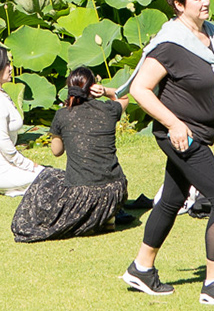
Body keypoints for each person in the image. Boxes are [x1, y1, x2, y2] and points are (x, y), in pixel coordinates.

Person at [119, 0, 214, 306]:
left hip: (200, 134)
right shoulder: (169, 44)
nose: (206, 2)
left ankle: (141, 268)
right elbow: (140, 89)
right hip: (181, 137)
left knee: (171, 198)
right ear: (179, 4)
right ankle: (213, 285)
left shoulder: (212, 35)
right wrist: (175, 124)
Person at [11, 67, 130, 242]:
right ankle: (107, 215)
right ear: (92, 87)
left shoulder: (62, 115)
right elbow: (124, 97)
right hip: (115, 191)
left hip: (83, 194)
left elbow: (56, 151)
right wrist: (105, 91)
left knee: (49, 175)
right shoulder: (108, 109)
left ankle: (94, 218)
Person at [0, 44, 50, 196]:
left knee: (48, 174)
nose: (10, 68)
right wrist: (29, 165)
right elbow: (3, 142)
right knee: (49, 179)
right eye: (6, 64)